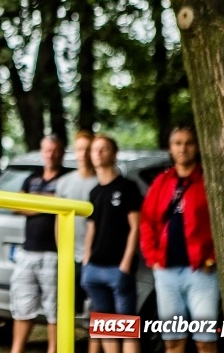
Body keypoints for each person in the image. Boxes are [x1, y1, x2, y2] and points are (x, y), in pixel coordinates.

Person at [140, 126, 218, 353]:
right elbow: (147, 222)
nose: (183, 148)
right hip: (166, 273)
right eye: (178, 143)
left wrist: (212, 258)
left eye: (188, 143)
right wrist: (152, 258)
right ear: (170, 148)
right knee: (173, 341)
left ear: (197, 146)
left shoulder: (208, 181)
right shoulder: (162, 182)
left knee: (205, 341)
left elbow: (221, 223)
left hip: (201, 273)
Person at [81, 134, 142, 353]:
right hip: (94, 268)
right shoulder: (94, 191)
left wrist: (126, 263)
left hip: (118, 267)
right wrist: (86, 260)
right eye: (94, 149)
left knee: (126, 327)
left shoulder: (128, 187)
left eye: (104, 149)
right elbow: (92, 228)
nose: (98, 153)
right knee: (104, 326)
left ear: (114, 153)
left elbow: (136, 226)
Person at [9, 135, 68, 353]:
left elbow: (62, 203)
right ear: (42, 152)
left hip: (55, 253)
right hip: (27, 252)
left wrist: (33, 201)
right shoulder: (31, 178)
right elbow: (15, 206)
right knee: (22, 305)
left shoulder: (67, 178)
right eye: (47, 150)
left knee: (55, 309)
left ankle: (54, 350)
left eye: (55, 150)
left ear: (62, 152)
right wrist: (48, 202)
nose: (50, 154)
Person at [54, 131, 100, 353]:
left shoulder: (102, 181)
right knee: (66, 310)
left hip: (97, 257)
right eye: (79, 149)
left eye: (87, 149)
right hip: (70, 257)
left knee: (98, 312)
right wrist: (62, 253)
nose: (83, 154)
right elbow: (58, 221)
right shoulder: (64, 183)